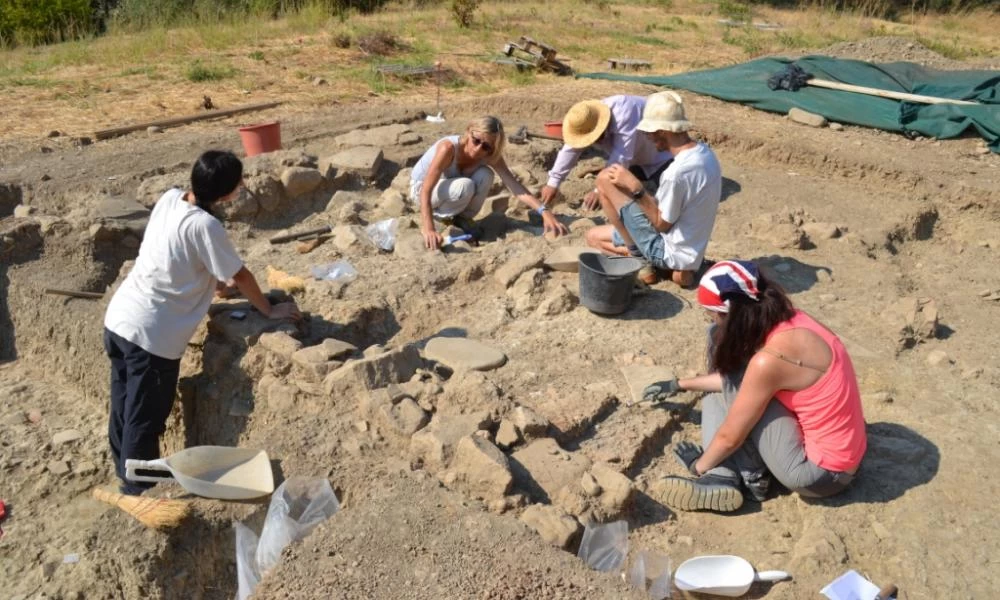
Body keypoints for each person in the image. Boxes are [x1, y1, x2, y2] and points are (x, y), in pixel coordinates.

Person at [103, 150, 301, 496]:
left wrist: (214, 285)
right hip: (151, 335)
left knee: (123, 405)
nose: (242, 185)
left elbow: (184, 259)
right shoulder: (205, 225)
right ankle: (138, 491)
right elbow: (240, 275)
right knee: (144, 418)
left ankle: (124, 473)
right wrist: (268, 311)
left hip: (120, 320)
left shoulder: (170, 199)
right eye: (238, 182)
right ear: (225, 192)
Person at [644, 260, 867, 512]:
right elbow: (731, 382)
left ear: (734, 314)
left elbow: (730, 435)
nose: (712, 319)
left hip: (819, 475)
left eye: (712, 313)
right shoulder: (792, 319)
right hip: (846, 456)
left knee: (728, 373)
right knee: (721, 365)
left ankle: (740, 475)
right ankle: (730, 475)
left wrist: (699, 465)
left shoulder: (769, 361)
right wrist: (680, 384)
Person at [584, 91, 721, 287]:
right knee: (593, 237)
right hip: (692, 248)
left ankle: (643, 262)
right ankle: (674, 269)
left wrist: (636, 189)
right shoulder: (706, 155)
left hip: (666, 250)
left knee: (604, 179)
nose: (647, 138)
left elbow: (661, 224)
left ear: (662, 131)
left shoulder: (677, 173)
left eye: (649, 132)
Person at [410, 116, 568, 250]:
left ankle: (462, 218)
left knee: (486, 174)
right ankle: (441, 218)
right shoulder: (448, 148)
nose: (478, 149)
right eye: (476, 140)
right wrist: (428, 228)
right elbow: (426, 189)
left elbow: (515, 187)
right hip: (422, 190)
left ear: (493, 148)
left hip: (447, 190)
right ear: (469, 132)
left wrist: (544, 211)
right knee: (465, 186)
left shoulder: (491, 157)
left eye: (486, 146)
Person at [540, 95, 673, 210]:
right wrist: (552, 183)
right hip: (636, 162)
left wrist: (599, 190)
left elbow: (621, 157)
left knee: (665, 198)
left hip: (663, 157)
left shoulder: (624, 112)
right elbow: (570, 149)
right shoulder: (585, 121)